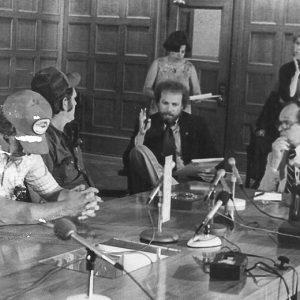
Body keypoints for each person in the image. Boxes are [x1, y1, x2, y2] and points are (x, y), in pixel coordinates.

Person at [0, 90, 100, 225]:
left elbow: (52, 191)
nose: (28, 152)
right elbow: (5, 212)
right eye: (24, 144)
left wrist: (80, 200)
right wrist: (66, 208)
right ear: (6, 134)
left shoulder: (28, 153)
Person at [124, 80, 220, 193]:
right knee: (139, 150)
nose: (169, 109)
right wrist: (140, 136)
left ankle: (170, 187)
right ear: (157, 103)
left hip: (188, 183)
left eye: (174, 104)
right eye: (165, 103)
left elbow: (214, 156)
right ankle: (169, 185)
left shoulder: (196, 124)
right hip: (155, 185)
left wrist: (212, 170)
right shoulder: (146, 123)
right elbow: (128, 161)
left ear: (182, 106)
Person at [31, 66, 92, 190]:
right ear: (65, 103)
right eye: (74, 98)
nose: (75, 103)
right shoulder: (43, 145)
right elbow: (43, 198)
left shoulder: (68, 131)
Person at [143, 30, 201, 114]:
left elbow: (197, 92)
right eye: (177, 51)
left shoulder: (190, 67)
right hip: (160, 109)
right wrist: (163, 97)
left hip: (182, 110)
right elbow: (146, 90)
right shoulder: (158, 63)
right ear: (170, 49)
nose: (180, 55)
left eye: (183, 52)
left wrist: (197, 98)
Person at [259, 101, 300, 192]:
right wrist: (275, 162)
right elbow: (262, 193)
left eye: (286, 123)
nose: (279, 128)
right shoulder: (278, 152)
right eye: (279, 123)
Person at [279, 33, 300, 102]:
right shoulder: (285, 69)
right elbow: (289, 96)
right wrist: (297, 73)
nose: (299, 48)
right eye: (298, 43)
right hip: (289, 108)